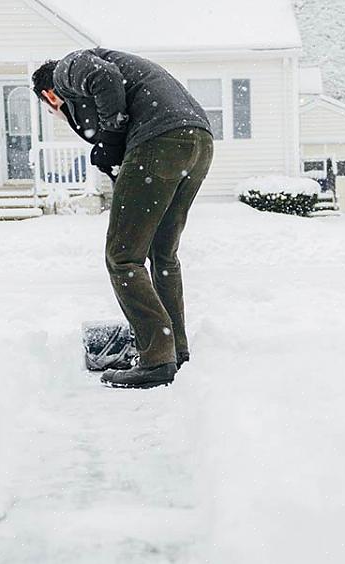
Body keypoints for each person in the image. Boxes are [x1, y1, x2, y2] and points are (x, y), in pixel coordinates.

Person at [32, 49, 214, 389]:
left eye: (50, 107)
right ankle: (175, 349)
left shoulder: (65, 70)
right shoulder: (128, 75)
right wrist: (113, 150)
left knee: (123, 256)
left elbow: (104, 77)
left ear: (49, 95)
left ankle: (156, 356)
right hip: (197, 141)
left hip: (160, 140)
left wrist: (111, 138)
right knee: (163, 254)